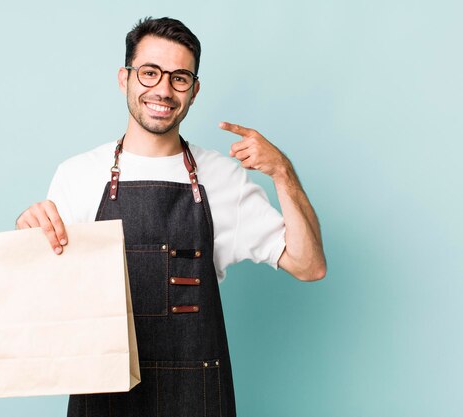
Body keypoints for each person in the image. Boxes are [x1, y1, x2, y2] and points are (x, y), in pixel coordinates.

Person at [16, 16, 326, 417]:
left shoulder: (222, 177)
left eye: (179, 78)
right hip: (103, 398)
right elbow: (48, 302)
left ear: (194, 91)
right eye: (149, 73)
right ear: (124, 78)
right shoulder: (77, 175)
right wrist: (29, 235)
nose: (163, 89)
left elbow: (309, 265)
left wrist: (283, 172)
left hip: (195, 398)